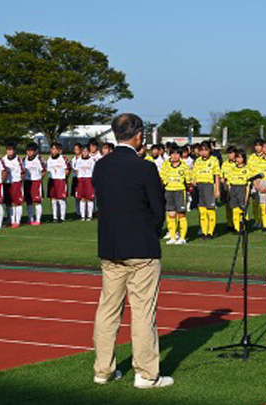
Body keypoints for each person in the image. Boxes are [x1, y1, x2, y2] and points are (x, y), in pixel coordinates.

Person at [92, 113, 172, 389]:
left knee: (108, 310)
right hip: (141, 248)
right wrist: (149, 229)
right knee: (142, 312)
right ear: (138, 135)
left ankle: (102, 370)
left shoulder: (101, 167)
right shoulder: (145, 168)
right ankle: (146, 374)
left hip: (111, 246)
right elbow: (158, 210)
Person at [160, 145, 191, 245]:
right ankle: (173, 237)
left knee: (181, 214)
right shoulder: (166, 164)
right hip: (169, 191)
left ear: (180, 155)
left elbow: (188, 180)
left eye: (177, 153)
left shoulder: (184, 166)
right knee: (171, 214)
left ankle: (182, 237)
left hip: (180, 191)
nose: (174, 156)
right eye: (172, 153)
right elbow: (162, 177)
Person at [192, 141, 220, 239]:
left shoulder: (214, 160)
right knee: (202, 210)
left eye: (206, 150)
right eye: (201, 150)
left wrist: (217, 189)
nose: (204, 152)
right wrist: (193, 181)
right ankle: (204, 231)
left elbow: (217, 175)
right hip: (200, 186)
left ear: (210, 150)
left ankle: (210, 232)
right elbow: (194, 173)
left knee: (210, 210)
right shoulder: (198, 161)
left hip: (209, 185)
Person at [227, 150, 251, 233]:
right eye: (237, 157)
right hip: (234, 189)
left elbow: (248, 184)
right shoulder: (232, 168)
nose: (238, 159)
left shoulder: (247, 169)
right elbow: (229, 182)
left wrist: (247, 196)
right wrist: (230, 193)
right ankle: (237, 228)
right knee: (235, 210)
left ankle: (243, 227)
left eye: (240, 157)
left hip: (242, 188)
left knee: (242, 209)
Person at [46, 142, 70, 222]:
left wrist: (64, 178)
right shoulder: (49, 159)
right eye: (52, 149)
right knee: (53, 200)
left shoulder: (64, 159)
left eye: (56, 149)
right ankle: (55, 217)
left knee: (61, 199)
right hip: (52, 180)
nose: (54, 151)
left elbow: (67, 170)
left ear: (59, 150)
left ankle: (62, 217)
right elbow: (48, 170)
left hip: (61, 180)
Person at [2, 143, 24, 228]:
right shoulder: (4, 159)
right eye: (8, 150)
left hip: (16, 182)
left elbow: (23, 172)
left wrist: (20, 181)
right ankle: (10, 220)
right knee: (8, 203)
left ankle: (17, 220)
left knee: (17, 202)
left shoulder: (18, 160)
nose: (9, 152)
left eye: (11, 150)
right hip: (7, 183)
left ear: (14, 151)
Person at [22, 143, 45, 225]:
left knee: (37, 201)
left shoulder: (39, 159)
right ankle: (30, 218)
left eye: (31, 151)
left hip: (36, 181)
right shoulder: (24, 160)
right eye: (28, 151)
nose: (30, 152)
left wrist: (39, 179)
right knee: (29, 201)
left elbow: (44, 171)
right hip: (27, 182)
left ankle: (38, 219)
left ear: (35, 151)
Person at [74, 145, 96, 221]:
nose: (85, 153)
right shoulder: (79, 160)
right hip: (81, 180)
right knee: (82, 198)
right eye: (83, 151)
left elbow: (94, 171)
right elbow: (76, 170)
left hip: (89, 179)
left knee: (90, 198)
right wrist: (79, 177)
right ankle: (83, 216)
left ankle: (89, 215)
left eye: (86, 151)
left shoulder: (91, 160)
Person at [249, 139, 264, 228]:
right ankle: (256, 220)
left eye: (259, 145)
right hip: (254, 182)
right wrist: (254, 181)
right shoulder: (251, 157)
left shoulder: (265, 157)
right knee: (255, 203)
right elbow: (250, 170)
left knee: (263, 203)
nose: (258, 147)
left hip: (264, 182)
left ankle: (263, 220)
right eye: (256, 146)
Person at [220, 146, 237, 230]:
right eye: (229, 153)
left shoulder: (238, 163)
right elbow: (221, 174)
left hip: (235, 185)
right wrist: (222, 179)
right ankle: (229, 223)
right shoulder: (225, 163)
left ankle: (236, 223)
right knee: (227, 205)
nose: (230, 155)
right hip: (226, 185)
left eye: (232, 153)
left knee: (236, 205)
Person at [71, 143, 83, 218]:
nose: (76, 151)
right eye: (75, 149)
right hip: (75, 178)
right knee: (76, 196)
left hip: (81, 178)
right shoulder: (73, 159)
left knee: (82, 196)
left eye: (77, 149)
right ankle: (77, 211)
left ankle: (83, 212)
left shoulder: (83, 158)